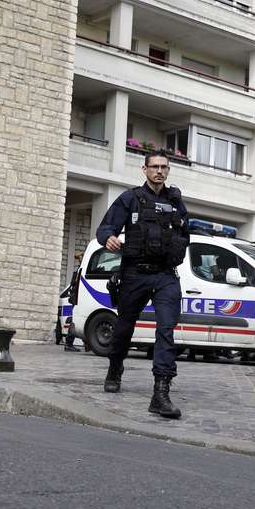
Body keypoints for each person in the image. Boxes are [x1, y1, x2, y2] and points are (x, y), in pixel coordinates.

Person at [94, 149, 190, 419]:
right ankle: (115, 367)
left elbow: (185, 234)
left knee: (166, 329)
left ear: (168, 171)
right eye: (155, 166)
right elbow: (104, 228)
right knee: (124, 328)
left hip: (165, 275)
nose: (159, 171)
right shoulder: (130, 199)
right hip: (134, 273)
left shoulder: (176, 202)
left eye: (164, 167)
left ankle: (161, 392)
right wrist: (108, 239)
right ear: (144, 170)